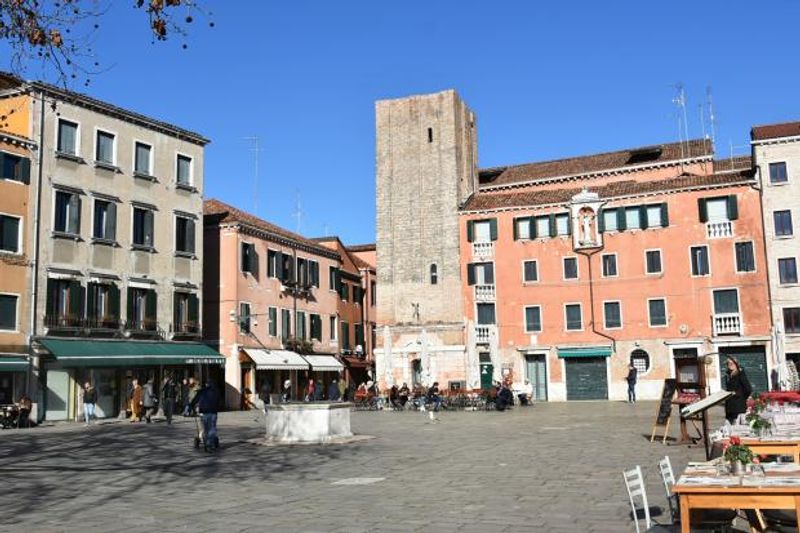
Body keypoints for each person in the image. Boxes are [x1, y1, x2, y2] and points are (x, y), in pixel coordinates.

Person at [191, 380, 220, 452]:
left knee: (205, 429)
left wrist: (191, 406)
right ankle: (210, 444)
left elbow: (195, 400)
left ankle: (207, 444)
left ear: (206, 384)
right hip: (213, 412)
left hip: (204, 413)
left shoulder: (202, 391)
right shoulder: (216, 391)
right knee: (212, 428)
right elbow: (219, 401)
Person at [724, 357, 752, 424]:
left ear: (736, 364)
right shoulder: (729, 375)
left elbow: (748, 389)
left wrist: (739, 395)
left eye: (732, 363)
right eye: (729, 363)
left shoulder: (740, 374)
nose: (730, 365)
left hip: (738, 407)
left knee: (737, 428)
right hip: (730, 408)